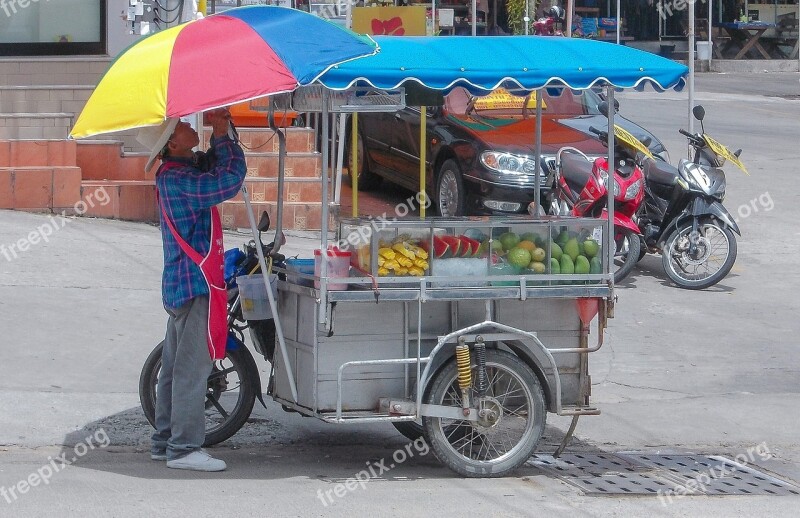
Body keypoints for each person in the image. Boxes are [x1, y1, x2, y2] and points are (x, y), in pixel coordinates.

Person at [136, 109, 246, 471]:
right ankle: (183, 449)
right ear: (171, 143)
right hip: (194, 284)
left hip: (182, 283)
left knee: (173, 368)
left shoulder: (178, 171)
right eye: (181, 126)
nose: (188, 125)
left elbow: (209, 164)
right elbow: (228, 179)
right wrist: (221, 131)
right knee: (192, 369)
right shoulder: (179, 179)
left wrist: (220, 133)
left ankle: (164, 439)